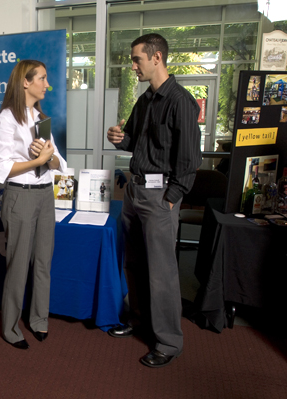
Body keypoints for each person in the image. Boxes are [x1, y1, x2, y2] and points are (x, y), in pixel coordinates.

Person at [106, 33, 201, 368]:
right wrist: (119, 138)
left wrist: (171, 200)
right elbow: (134, 140)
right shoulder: (145, 100)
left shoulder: (181, 102)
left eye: (137, 60)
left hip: (160, 196)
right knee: (134, 263)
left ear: (157, 57)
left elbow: (190, 162)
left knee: (162, 273)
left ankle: (169, 342)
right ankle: (139, 322)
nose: (133, 66)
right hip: (135, 191)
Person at [0, 60, 67, 349]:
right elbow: (2, 169)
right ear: (26, 81)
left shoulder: (41, 118)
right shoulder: (6, 119)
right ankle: (10, 328)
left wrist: (47, 158)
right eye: (43, 78)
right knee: (18, 266)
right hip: (20, 196)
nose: (47, 84)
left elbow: (60, 163)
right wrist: (36, 161)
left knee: (43, 264)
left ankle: (39, 320)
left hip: (45, 196)